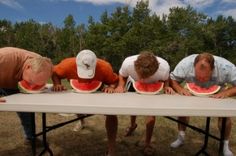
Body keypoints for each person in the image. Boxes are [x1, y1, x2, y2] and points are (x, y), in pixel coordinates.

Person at [51, 49, 118, 156]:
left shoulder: (105, 67)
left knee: (111, 112)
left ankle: (112, 149)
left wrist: (111, 87)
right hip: (78, 91)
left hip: (98, 91)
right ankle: (82, 121)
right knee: (78, 104)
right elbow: (54, 73)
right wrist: (57, 84)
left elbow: (114, 80)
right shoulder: (67, 64)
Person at [170, 53, 236, 156]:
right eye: (197, 76)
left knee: (225, 116)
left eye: (205, 77)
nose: (200, 79)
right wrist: (180, 89)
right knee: (183, 109)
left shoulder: (226, 67)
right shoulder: (185, 64)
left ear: (213, 69)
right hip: (191, 93)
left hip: (218, 92)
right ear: (193, 66)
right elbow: (172, 79)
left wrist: (226, 92)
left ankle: (225, 144)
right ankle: (181, 137)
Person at [115, 51, 175, 155]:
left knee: (151, 112)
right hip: (134, 82)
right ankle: (133, 125)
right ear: (135, 65)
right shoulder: (128, 63)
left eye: (147, 76)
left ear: (156, 69)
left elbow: (166, 79)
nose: (143, 79)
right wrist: (120, 85)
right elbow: (122, 75)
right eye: (141, 75)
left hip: (153, 85)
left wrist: (166, 87)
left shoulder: (164, 68)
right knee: (133, 106)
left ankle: (147, 143)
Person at [0, 47, 53, 143]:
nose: (32, 86)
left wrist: (57, 84)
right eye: (31, 81)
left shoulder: (44, 63)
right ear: (28, 67)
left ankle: (30, 138)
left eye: (38, 84)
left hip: (14, 84)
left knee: (27, 112)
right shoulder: (4, 57)